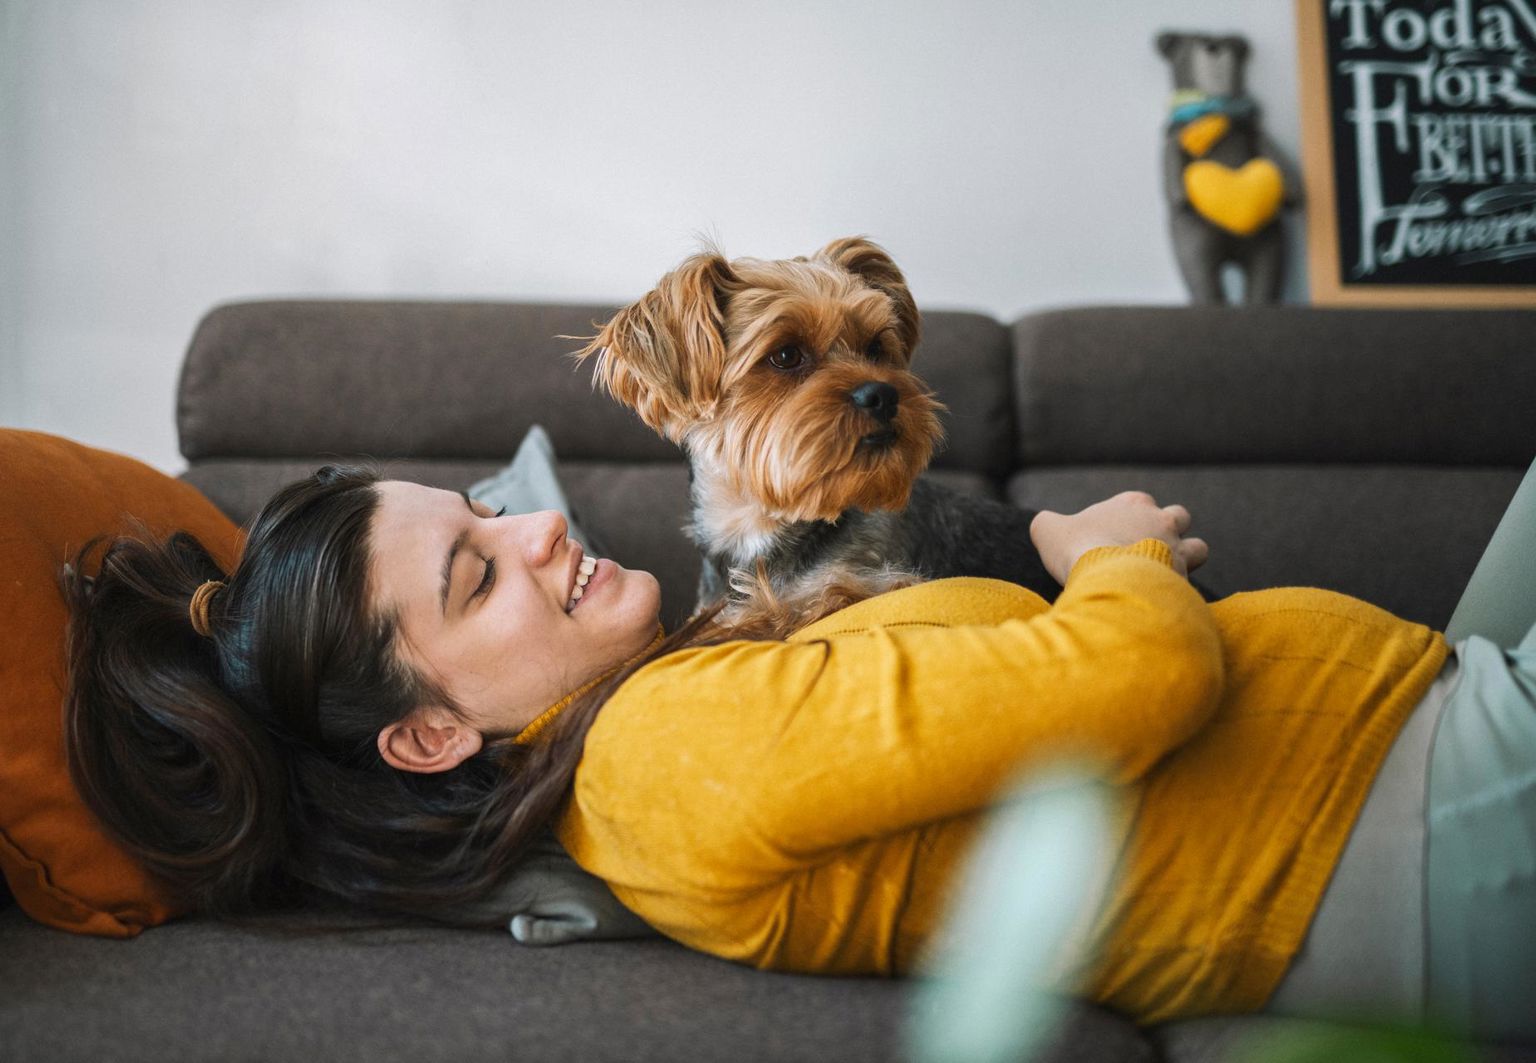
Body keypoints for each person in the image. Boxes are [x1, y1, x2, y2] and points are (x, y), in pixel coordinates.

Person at [62, 462, 1536, 1042]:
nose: (539, 529)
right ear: (435, 732)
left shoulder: (672, 707)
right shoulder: (658, 758)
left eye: (481, 507)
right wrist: (1108, 556)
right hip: (1425, 809)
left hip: (1412, 725)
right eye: (476, 575)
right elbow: (1140, 672)